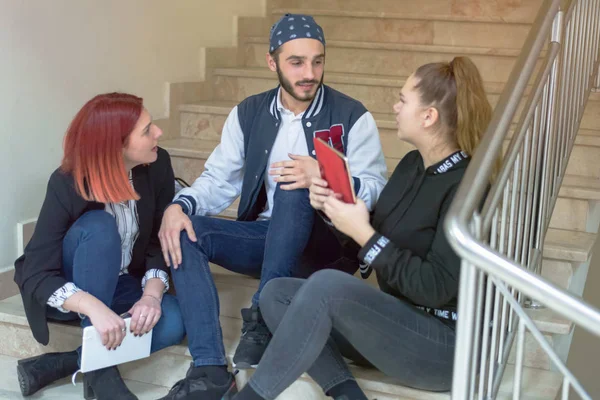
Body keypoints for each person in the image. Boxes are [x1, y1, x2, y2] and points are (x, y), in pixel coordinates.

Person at [226, 56, 493, 400]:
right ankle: (347, 394)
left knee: (325, 285)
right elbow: (371, 246)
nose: (394, 107)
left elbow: (434, 286)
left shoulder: (467, 187)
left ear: (429, 117)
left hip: (444, 347)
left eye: (402, 99)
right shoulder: (413, 165)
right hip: (397, 325)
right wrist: (334, 212)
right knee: (278, 294)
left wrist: (365, 233)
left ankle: (252, 396)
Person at [157, 13, 387, 400]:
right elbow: (219, 179)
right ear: (272, 62)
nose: (309, 72)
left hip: (323, 246)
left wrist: (322, 175)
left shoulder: (352, 116)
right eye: (296, 62)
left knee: (295, 183)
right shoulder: (248, 113)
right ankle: (210, 366)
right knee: (185, 229)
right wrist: (180, 205)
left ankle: (263, 315)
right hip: (266, 238)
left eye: (317, 61)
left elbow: (376, 188)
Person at [13, 93, 186, 400]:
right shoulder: (67, 182)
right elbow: (35, 272)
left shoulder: (157, 165)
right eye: (147, 130)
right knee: (99, 227)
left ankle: (66, 363)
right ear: (116, 145)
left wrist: (151, 295)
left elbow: (158, 239)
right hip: (74, 291)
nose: (158, 132)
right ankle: (103, 380)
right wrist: (94, 308)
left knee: (173, 320)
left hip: (122, 284)